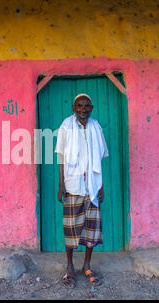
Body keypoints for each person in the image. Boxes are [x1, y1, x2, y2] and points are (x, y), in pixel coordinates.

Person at [55, 93, 109, 288]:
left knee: (91, 230)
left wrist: (101, 186)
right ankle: (69, 267)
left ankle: (87, 266)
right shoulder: (66, 126)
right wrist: (61, 184)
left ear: (91, 108)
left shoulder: (96, 127)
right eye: (79, 106)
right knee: (71, 228)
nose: (83, 109)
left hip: (92, 187)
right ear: (73, 107)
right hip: (72, 185)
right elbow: (60, 156)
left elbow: (99, 158)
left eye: (87, 106)